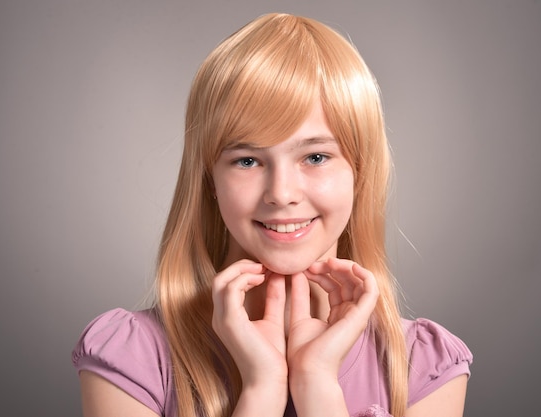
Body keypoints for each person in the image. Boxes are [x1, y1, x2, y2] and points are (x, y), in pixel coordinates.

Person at [72, 13, 472, 417]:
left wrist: (317, 384)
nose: (281, 194)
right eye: (247, 160)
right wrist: (262, 390)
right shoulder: (134, 359)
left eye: (316, 156)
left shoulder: (422, 368)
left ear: (360, 172)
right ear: (209, 178)